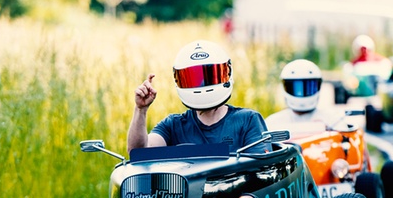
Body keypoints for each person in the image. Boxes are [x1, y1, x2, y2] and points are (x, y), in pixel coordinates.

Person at [127, 39, 268, 154]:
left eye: (210, 76)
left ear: (227, 73)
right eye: (193, 78)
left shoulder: (248, 120)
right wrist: (141, 109)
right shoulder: (173, 125)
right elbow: (138, 152)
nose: (202, 84)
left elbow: (259, 171)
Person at [265, 59, 339, 135]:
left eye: (308, 86)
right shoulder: (272, 123)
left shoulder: (333, 121)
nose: (301, 93)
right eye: (297, 88)